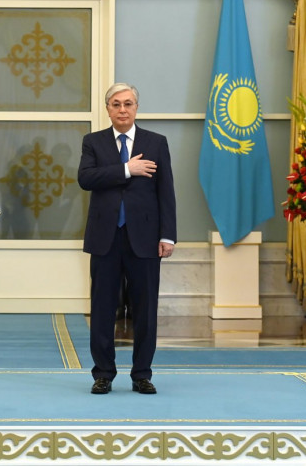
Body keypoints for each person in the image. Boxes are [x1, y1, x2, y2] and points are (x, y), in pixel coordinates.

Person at [77, 83, 176, 395]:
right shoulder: (93, 142)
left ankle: (142, 375)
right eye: (116, 104)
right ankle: (103, 374)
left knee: (145, 310)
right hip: (105, 238)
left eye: (128, 103)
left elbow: (166, 191)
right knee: (102, 309)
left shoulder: (156, 142)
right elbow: (86, 178)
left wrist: (168, 236)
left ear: (136, 107)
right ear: (108, 108)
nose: (122, 109)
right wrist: (126, 169)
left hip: (145, 239)